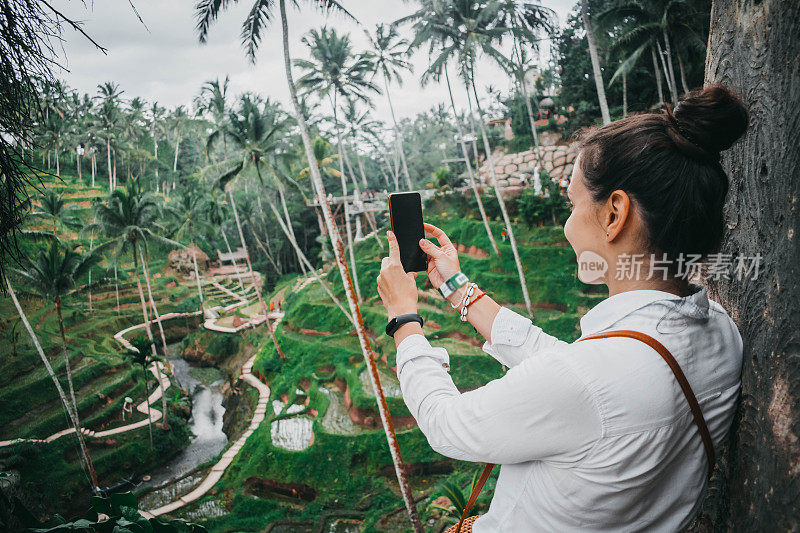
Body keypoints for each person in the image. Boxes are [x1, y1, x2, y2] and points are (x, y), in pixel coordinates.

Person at [376, 85, 748, 532]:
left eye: (571, 204)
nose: (567, 223)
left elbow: (448, 425)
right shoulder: (722, 333)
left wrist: (403, 318)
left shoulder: (588, 380)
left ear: (614, 214)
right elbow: (571, 367)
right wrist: (458, 289)